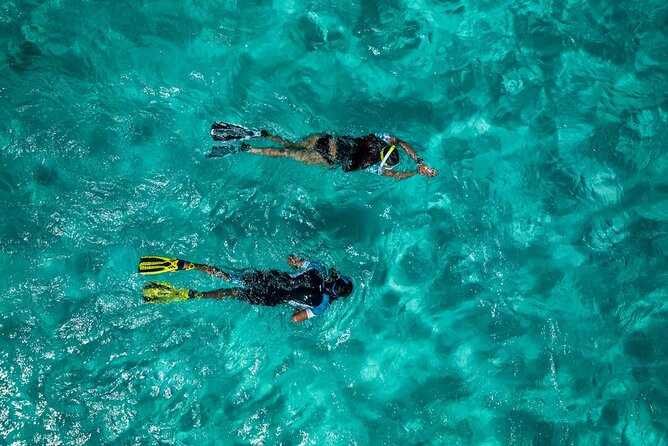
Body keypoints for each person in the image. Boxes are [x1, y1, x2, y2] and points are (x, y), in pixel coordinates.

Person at [138, 255, 353, 323]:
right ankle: (195, 294)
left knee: (230, 275)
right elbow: (295, 319)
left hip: (271, 278)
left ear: (336, 278)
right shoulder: (322, 306)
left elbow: (292, 260)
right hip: (272, 297)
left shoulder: (318, 268)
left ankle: (190, 265)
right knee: (234, 293)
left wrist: (295, 265)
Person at [209, 122, 439, 180]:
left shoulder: (380, 139)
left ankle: (265, 134)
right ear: (384, 162)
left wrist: (418, 160)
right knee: (286, 154)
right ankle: (247, 148)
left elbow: (401, 142)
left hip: (326, 140)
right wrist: (418, 172)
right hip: (325, 156)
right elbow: (397, 175)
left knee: (289, 144)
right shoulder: (373, 167)